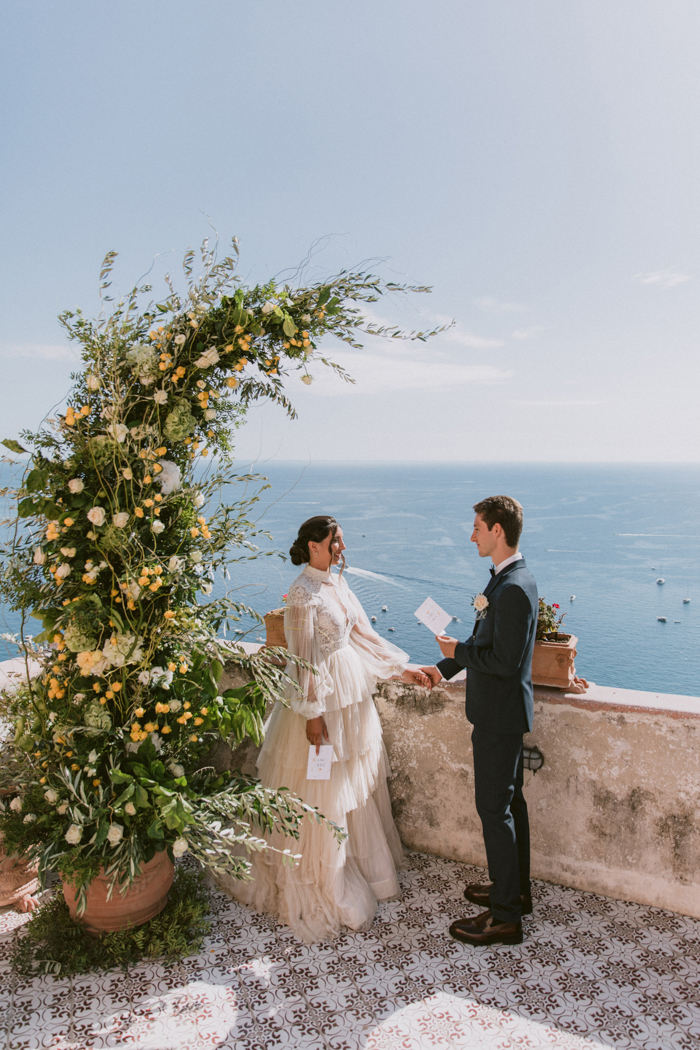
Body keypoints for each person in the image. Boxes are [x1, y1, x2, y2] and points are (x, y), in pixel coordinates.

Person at [222, 515, 430, 942]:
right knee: (321, 789)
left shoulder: (338, 584)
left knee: (351, 784)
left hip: (351, 696)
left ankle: (363, 869)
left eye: (342, 542)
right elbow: (303, 660)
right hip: (319, 704)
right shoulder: (302, 592)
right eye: (336, 542)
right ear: (315, 545)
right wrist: (313, 715)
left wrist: (404, 671)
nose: (342, 549)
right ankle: (324, 882)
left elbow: (363, 637)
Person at [421, 496, 538, 946]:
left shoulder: (511, 587)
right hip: (504, 714)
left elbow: (504, 661)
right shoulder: (509, 580)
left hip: (497, 716)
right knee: (512, 807)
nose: (471, 535)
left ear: (498, 531)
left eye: (477, 527)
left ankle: (505, 917)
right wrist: (443, 666)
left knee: (494, 810)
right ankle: (516, 891)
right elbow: (484, 640)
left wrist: (457, 653)